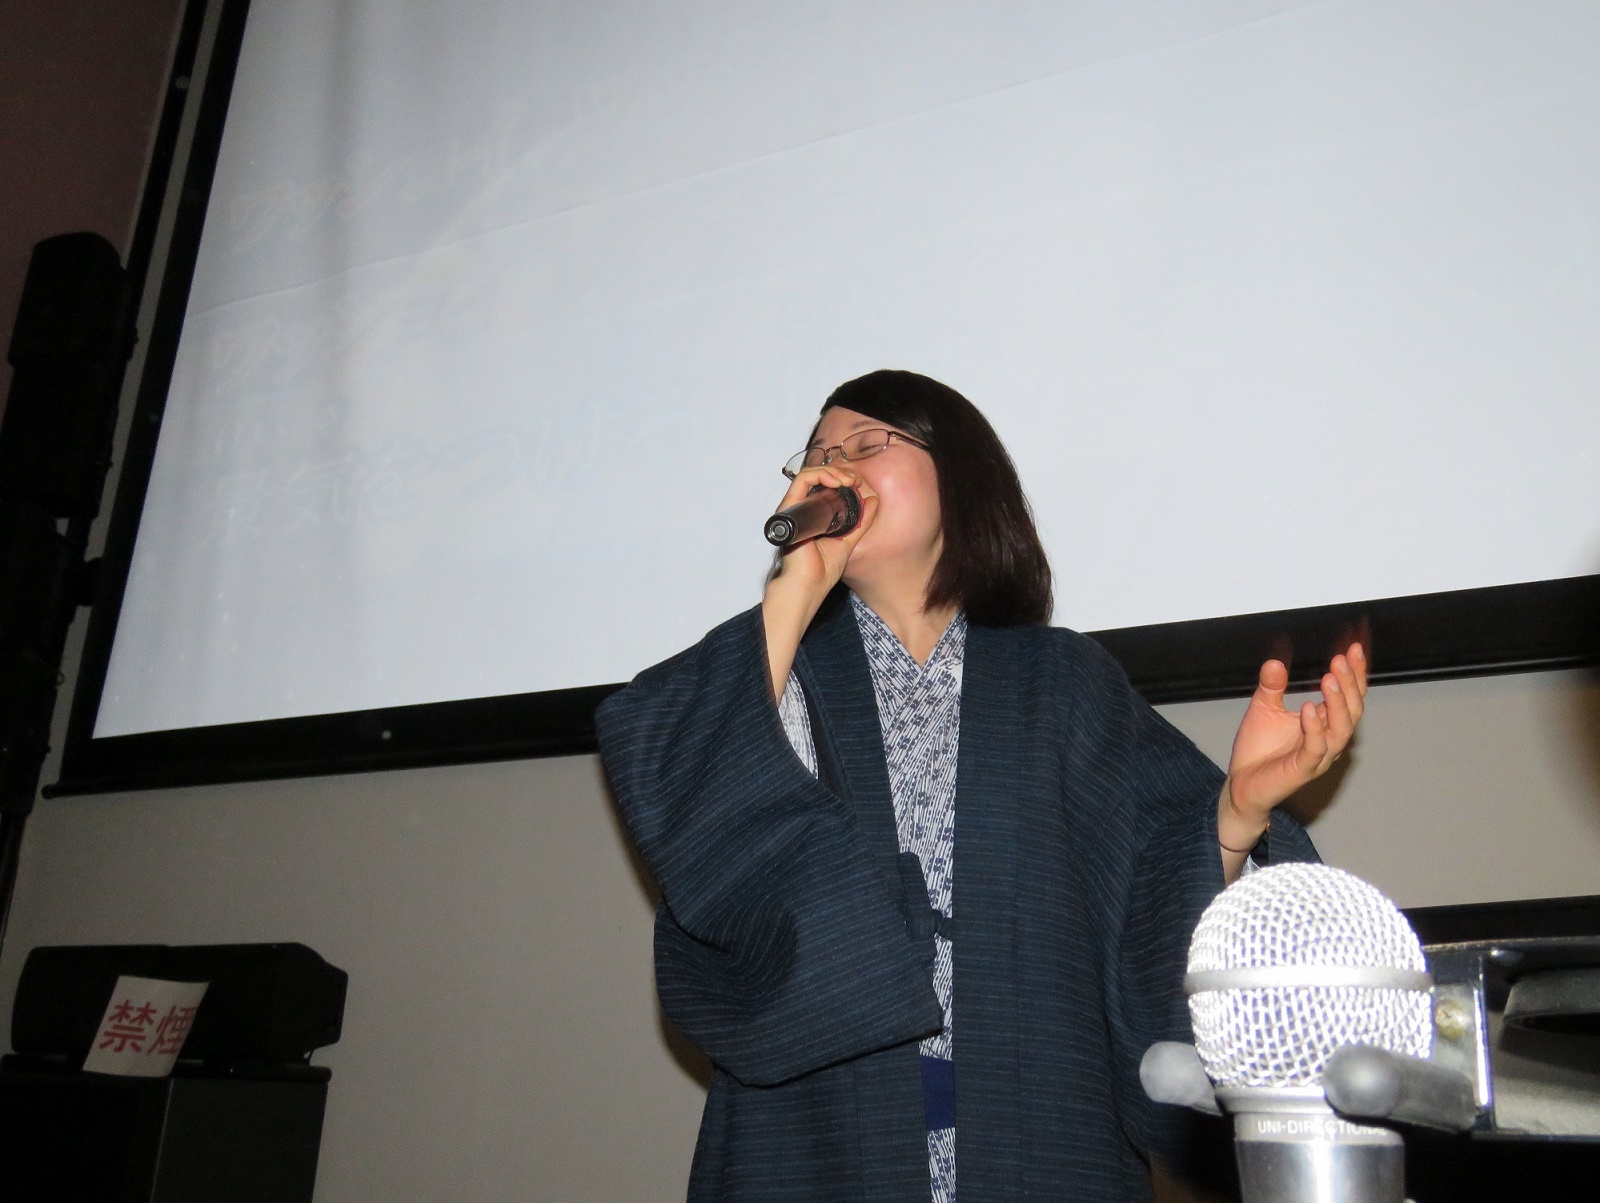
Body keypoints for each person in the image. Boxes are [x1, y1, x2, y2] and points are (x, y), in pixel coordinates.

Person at [596, 370, 1367, 1203]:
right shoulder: (780, 673)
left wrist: (1236, 810)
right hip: (817, 1142)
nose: (833, 468)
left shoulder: (1057, 677)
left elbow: (1150, 891)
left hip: (1041, 1135)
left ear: (958, 475)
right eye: (816, 455)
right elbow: (692, 805)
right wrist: (794, 589)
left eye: (867, 444)